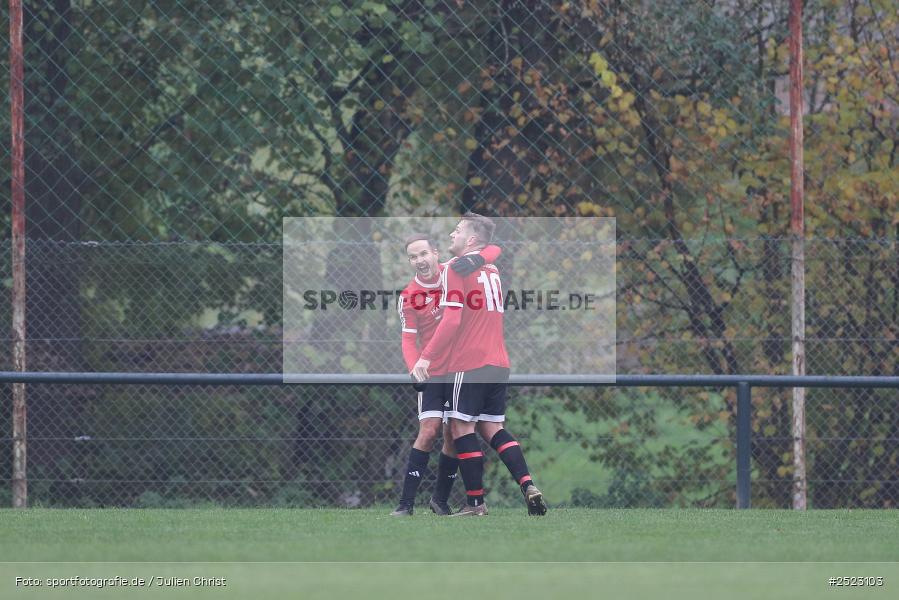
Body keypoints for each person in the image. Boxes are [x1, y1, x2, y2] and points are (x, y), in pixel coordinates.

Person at [412, 213, 547, 517]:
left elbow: (452, 321)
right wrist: (483, 253)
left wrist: (426, 357)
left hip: (469, 361)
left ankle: (476, 504)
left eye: (457, 230)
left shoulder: (456, 271)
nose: (451, 234)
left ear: (470, 239)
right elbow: (493, 249)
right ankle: (527, 484)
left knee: (461, 426)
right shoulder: (492, 267)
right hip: (499, 361)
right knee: (493, 428)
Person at [390, 234, 501, 517]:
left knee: (454, 434)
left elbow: (494, 249)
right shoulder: (409, 295)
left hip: (461, 370)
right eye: (413, 257)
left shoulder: (454, 270)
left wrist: (477, 257)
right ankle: (405, 505)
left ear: (435, 253)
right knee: (428, 432)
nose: (419, 260)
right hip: (433, 373)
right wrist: (415, 367)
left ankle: (439, 501)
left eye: (423, 254)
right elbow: (407, 340)